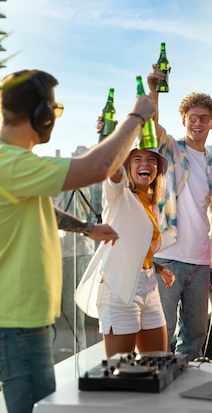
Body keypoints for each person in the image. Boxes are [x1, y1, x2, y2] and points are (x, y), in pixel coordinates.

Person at [0, 69, 156, 413]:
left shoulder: (3, 160)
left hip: (20, 319)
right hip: (14, 322)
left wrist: (86, 228)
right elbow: (98, 166)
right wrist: (138, 116)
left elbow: (41, 209)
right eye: (55, 109)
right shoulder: (5, 163)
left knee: (42, 406)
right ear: (41, 114)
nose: (54, 117)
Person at [147, 66, 212, 360]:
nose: (198, 123)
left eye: (204, 118)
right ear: (184, 120)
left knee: (195, 336)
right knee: (162, 334)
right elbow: (152, 123)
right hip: (167, 257)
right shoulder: (170, 150)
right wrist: (154, 90)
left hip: (201, 262)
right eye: (192, 117)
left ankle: (185, 397)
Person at [75, 143, 176, 358]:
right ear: (128, 167)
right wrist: (109, 136)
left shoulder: (152, 203)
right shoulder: (118, 194)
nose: (144, 164)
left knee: (158, 362)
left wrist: (157, 268)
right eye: (137, 159)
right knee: (121, 369)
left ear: (157, 168)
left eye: (151, 160)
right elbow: (111, 169)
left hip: (149, 286)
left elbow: (136, 247)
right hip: (119, 289)